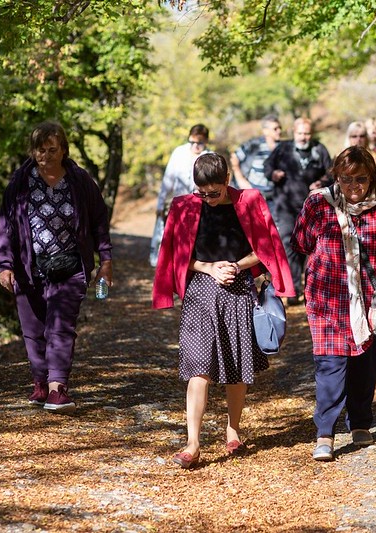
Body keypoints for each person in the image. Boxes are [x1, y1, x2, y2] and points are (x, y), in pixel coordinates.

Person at [152, 153, 294, 469]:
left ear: (227, 180)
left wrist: (235, 265)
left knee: (234, 364)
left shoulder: (250, 201)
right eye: (202, 192)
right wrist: (208, 267)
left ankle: (233, 429)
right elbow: (175, 254)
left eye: (213, 192)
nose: (207, 199)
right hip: (200, 292)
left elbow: (266, 247)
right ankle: (193, 443)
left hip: (239, 289)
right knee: (198, 365)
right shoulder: (184, 206)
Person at [291, 146, 376, 461]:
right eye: (346, 179)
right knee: (330, 365)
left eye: (360, 178)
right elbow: (302, 242)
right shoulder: (319, 203)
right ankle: (325, 433)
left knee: (364, 362)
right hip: (328, 298)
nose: (353, 186)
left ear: (373, 176)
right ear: (337, 177)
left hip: (375, 299)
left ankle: (360, 423)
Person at [0, 121, 113, 414]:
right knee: (33, 329)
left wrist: (106, 260)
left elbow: (99, 220)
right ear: (32, 152)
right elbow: (6, 226)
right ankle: (40, 383)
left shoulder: (79, 181)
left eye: (52, 149)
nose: (45, 156)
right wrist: (4, 264)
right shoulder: (20, 183)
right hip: (29, 268)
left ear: (63, 150)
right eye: (40, 150)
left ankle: (58, 387)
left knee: (60, 327)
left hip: (69, 266)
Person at [264, 117, 332, 305]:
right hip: (286, 205)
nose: (303, 137)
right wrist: (273, 174)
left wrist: (323, 182)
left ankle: (313, 288)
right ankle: (293, 290)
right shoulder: (283, 149)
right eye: (300, 133)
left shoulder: (319, 149)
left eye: (307, 133)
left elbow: (332, 171)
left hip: (312, 207)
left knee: (312, 247)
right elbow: (267, 167)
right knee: (289, 245)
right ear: (294, 132)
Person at [149, 124, 211, 267]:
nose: (195, 146)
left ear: (206, 141)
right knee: (172, 236)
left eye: (200, 143)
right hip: (178, 203)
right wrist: (161, 203)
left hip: (200, 207)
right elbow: (168, 179)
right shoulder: (179, 152)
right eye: (192, 142)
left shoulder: (210, 156)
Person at [230, 114, 281, 210]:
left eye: (280, 128)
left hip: (274, 197)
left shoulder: (283, 147)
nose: (279, 131)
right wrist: (241, 180)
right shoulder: (254, 144)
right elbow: (234, 158)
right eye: (275, 129)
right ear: (265, 131)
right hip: (253, 194)